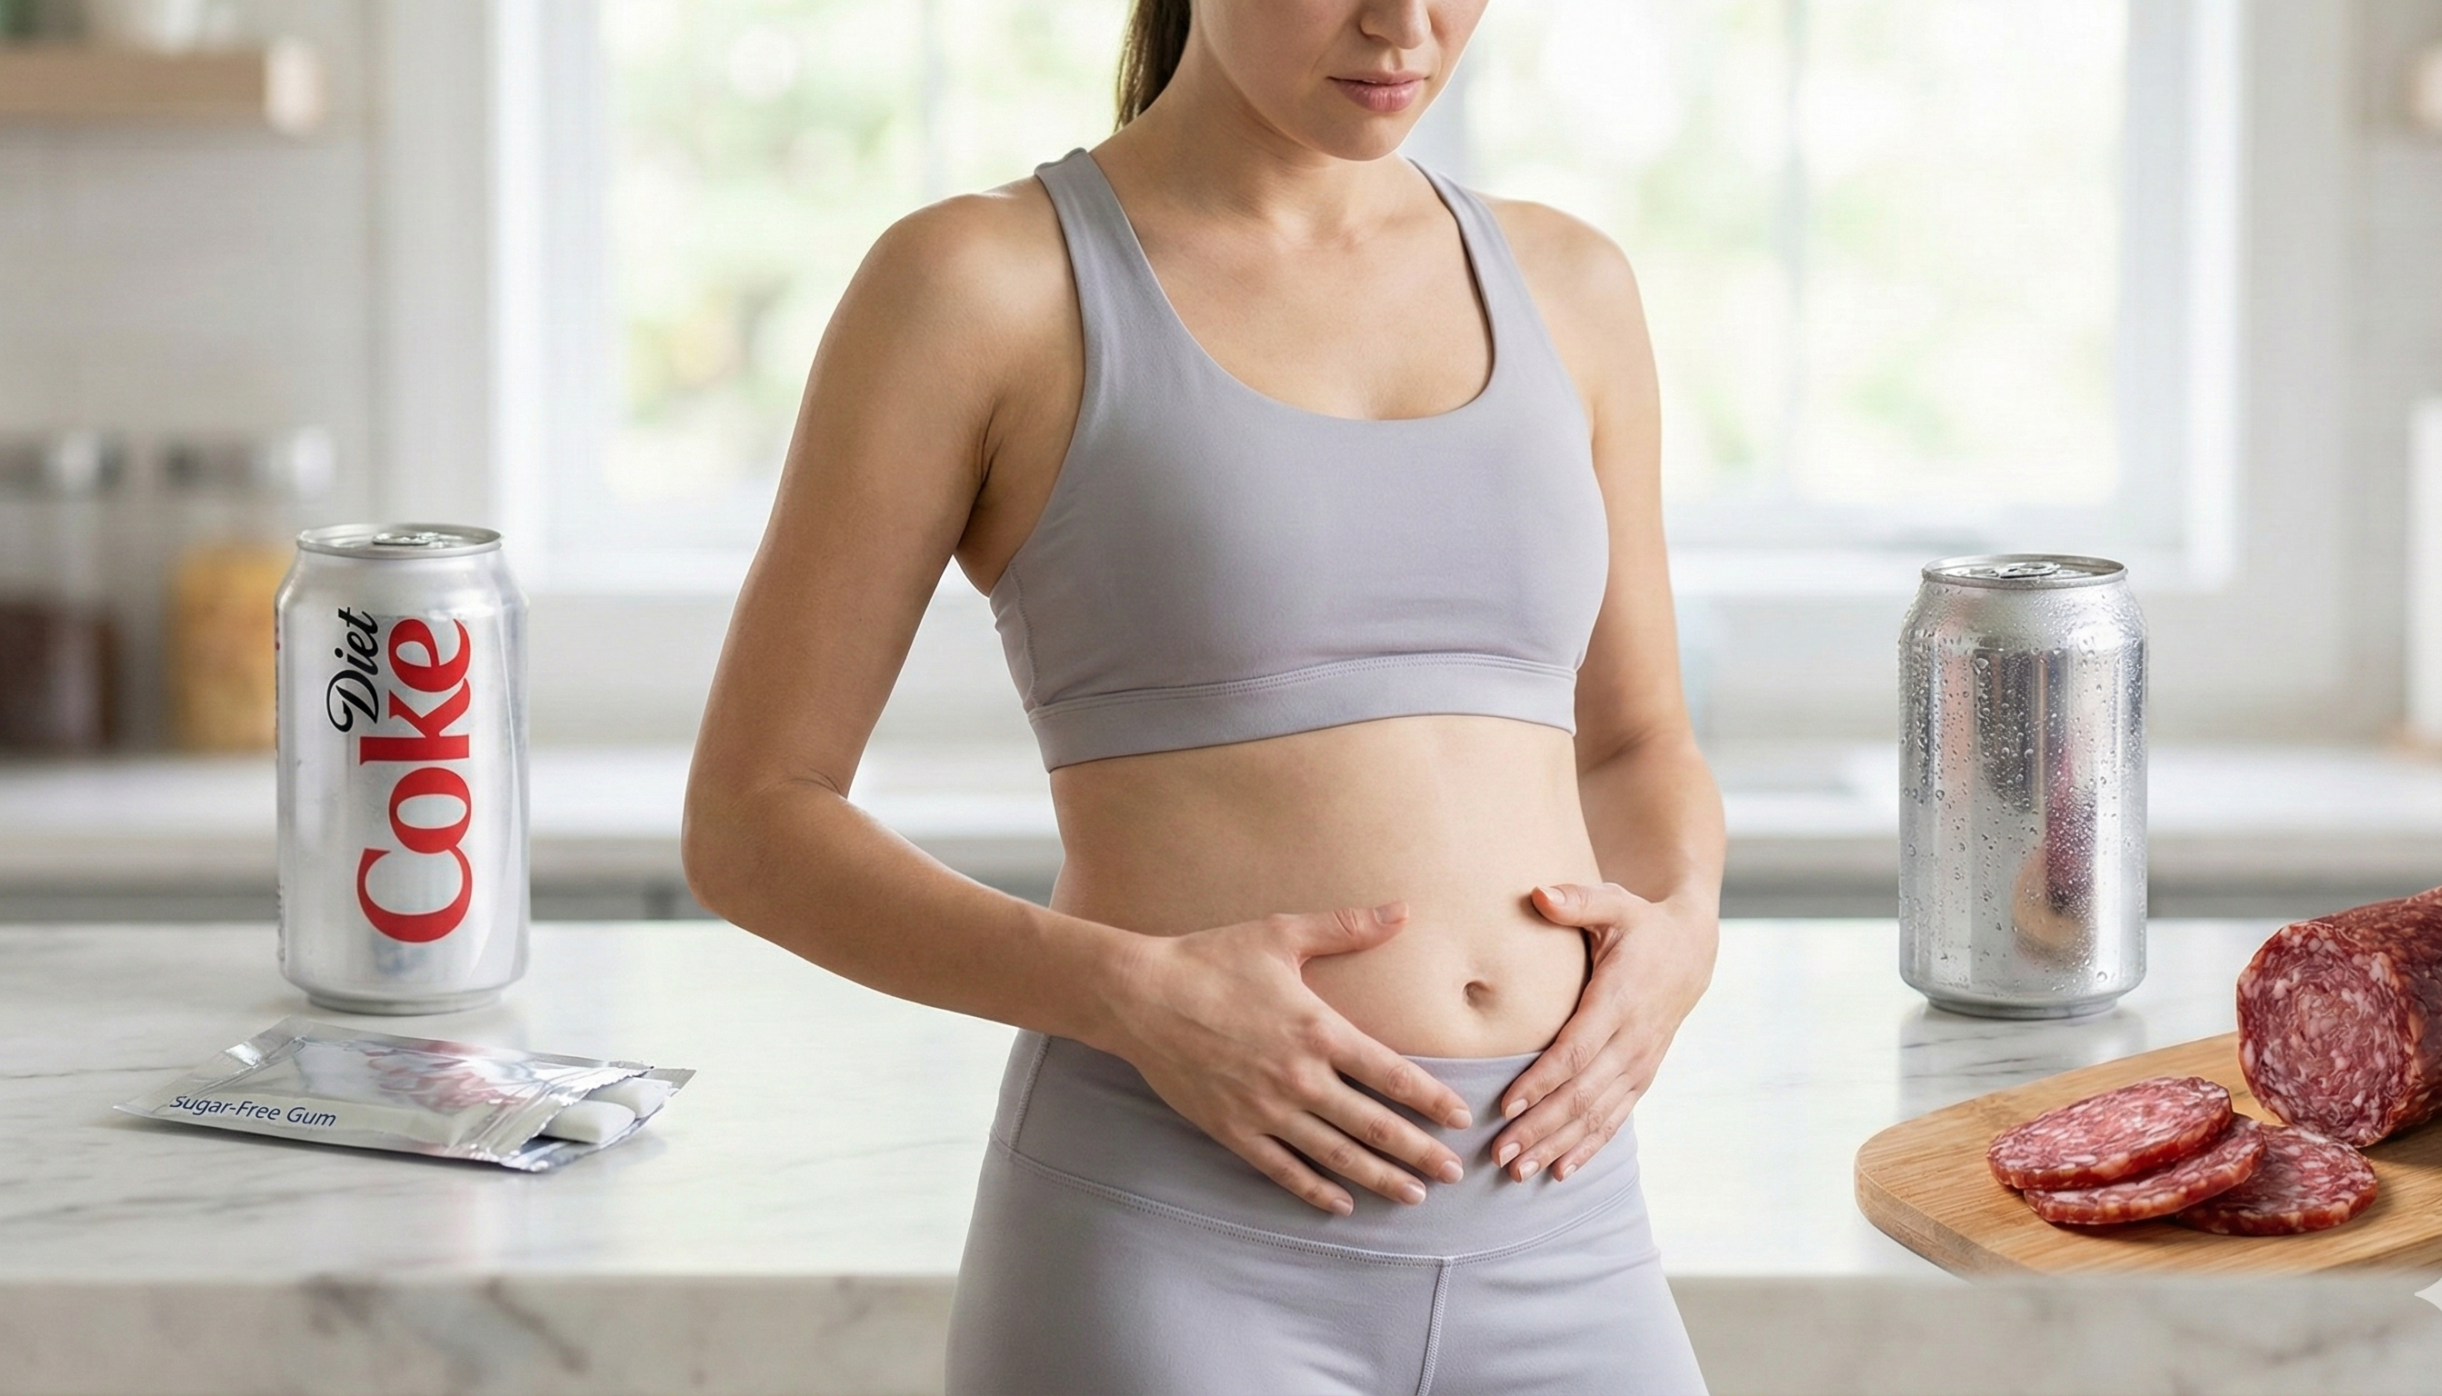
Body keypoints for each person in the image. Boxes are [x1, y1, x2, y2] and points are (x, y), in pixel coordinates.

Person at [682, 0, 1726, 1389]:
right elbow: (754, 821)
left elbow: (1638, 743)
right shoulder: (982, 283)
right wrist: (1133, 994)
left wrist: (1685, 931)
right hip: (1177, 1247)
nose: (1403, 26)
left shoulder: (1569, 283)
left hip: (1565, 1223)